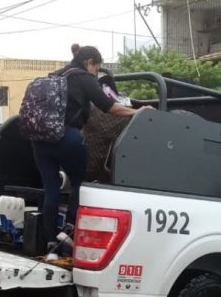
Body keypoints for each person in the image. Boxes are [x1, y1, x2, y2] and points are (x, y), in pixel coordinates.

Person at [33, 45, 149, 248]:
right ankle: (69, 229)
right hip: (67, 137)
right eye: (97, 69)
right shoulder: (83, 77)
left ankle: (50, 242)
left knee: (51, 190)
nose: (96, 73)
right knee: (81, 182)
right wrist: (138, 112)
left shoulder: (54, 76)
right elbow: (110, 107)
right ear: (89, 63)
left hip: (40, 139)